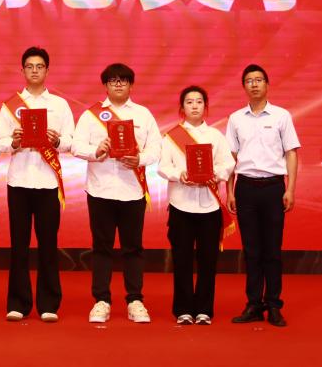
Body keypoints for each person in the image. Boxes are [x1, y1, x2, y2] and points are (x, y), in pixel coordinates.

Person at [72, 63, 161, 324]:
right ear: (105, 86)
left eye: (123, 80)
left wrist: (140, 159)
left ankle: (135, 300)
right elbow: (76, 145)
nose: (118, 84)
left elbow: (156, 148)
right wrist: (96, 150)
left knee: (133, 248)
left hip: (132, 190)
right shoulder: (91, 115)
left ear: (131, 85)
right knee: (102, 247)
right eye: (113, 80)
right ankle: (101, 301)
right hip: (100, 190)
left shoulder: (143, 114)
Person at [0, 46, 74, 322]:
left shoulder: (60, 105)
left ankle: (48, 303)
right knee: (18, 244)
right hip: (19, 181)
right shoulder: (10, 105)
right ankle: (18, 303)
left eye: (39, 66)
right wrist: (14, 141)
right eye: (29, 66)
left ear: (47, 70)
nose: (34, 71)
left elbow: (71, 141)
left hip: (47, 182)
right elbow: (0, 143)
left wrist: (56, 140)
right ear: (22, 70)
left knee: (48, 244)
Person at [226, 64, 300, 327]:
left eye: (259, 80)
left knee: (272, 249)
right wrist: (229, 191)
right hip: (245, 188)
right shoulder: (236, 118)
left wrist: (290, 188)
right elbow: (230, 157)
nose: (254, 84)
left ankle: (274, 305)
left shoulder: (281, 116)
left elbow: (291, 152)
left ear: (267, 85)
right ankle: (254, 304)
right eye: (249, 80)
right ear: (244, 86)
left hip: (273, 188)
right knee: (252, 250)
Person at [157, 85, 235, 325]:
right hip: (181, 205)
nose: (194, 106)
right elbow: (163, 166)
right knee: (181, 259)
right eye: (189, 102)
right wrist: (179, 175)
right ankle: (183, 309)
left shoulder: (216, 136)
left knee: (208, 259)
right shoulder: (171, 137)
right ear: (182, 108)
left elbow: (228, 163)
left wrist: (215, 174)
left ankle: (204, 310)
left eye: (199, 102)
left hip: (209, 207)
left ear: (205, 107)